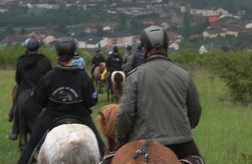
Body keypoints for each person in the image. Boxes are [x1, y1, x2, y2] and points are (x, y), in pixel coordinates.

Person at [115, 26, 204, 163]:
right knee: (199, 160)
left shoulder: (135, 77)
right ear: (167, 47)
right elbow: (195, 110)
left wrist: (121, 138)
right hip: (181, 143)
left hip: (142, 142)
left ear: (144, 49)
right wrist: (182, 129)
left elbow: (126, 112)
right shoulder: (184, 75)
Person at [16, 37, 105, 164]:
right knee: (102, 148)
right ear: (73, 53)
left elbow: (39, 99)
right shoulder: (83, 76)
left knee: (31, 146)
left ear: (58, 54)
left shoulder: (50, 76)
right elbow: (93, 100)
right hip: (81, 115)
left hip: (52, 115)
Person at [8, 37, 52, 140]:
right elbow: (50, 78)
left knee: (17, 103)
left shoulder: (21, 60)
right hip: (41, 92)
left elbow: (17, 78)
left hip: (24, 89)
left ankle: (15, 129)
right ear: (38, 49)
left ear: (27, 49)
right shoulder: (45, 61)